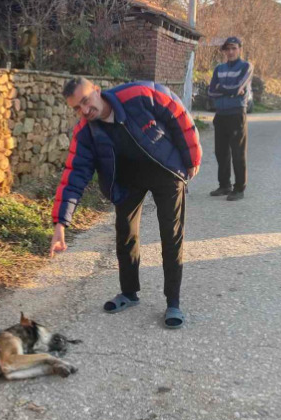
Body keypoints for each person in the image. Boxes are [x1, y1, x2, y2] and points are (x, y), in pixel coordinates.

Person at [48, 78, 202, 329]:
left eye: (86, 101)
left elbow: (177, 113)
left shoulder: (137, 95)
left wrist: (192, 157)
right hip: (127, 180)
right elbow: (74, 174)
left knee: (170, 236)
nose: (84, 111)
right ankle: (129, 293)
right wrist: (60, 223)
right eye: (77, 108)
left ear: (97, 91)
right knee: (125, 234)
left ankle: (173, 302)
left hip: (165, 170)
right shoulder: (85, 132)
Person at [207, 36, 253, 201]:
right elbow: (211, 91)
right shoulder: (219, 68)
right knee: (221, 152)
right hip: (220, 115)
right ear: (224, 51)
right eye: (228, 49)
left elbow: (238, 87)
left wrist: (223, 88)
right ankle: (224, 185)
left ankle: (239, 188)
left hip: (236, 114)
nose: (231, 52)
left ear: (240, 49)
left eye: (234, 48)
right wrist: (230, 90)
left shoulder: (246, 66)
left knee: (238, 153)